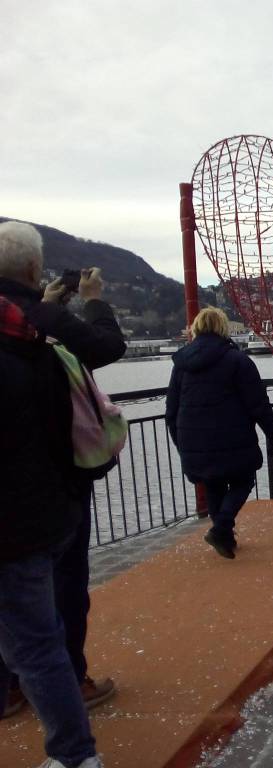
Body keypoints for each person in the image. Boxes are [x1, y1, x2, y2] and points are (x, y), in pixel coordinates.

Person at [0, 221, 124, 719]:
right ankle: (72, 683)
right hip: (55, 484)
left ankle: (9, 689)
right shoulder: (40, 316)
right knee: (66, 587)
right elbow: (105, 347)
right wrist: (91, 300)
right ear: (34, 268)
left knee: (11, 603)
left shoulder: (19, 319)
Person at [166, 307, 273, 558]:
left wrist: (180, 440)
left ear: (195, 329)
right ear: (223, 328)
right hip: (232, 435)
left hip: (192, 438)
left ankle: (224, 537)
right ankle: (221, 528)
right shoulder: (237, 361)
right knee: (243, 479)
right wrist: (272, 431)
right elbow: (257, 403)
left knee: (213, 483)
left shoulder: (181, 365)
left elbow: (172, 408)